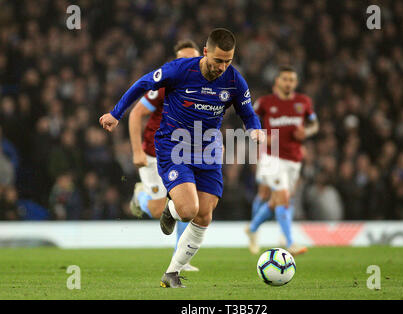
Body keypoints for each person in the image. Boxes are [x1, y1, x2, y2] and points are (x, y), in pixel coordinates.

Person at [99, 28, 265, 288]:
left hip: (208, 152)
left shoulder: (234, 81)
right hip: (174, 148)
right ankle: (171, 208)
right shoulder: (179, 70)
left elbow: (248, 113)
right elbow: (143, 83)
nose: (222, 67)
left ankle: (172, 273)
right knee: (189, 210)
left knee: (205, 216)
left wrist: (254, 129)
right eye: (218, 60)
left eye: (228, 61)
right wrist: (116, 113)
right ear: (206, 52)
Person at [128, 39, 201, 272]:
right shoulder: (163, 86)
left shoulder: (203, 90)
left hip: (180, 154)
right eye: (184, 59)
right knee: (160, 209)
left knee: (184, 203)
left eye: (193, 58)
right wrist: (137, 151)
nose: (189, 63)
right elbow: (135, 114)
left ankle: (181, 258)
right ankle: (140, 197)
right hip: (152, 154)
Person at [246, 65, 319, 256]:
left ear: (296, 83)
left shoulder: (303, 102)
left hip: (294, 159)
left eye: (292, 80)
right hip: (272, 156)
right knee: (280, 197)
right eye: (285, 79)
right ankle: (289, 241)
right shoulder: (265, 102)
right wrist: (261, 136)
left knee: (277, 201)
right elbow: (249, 122)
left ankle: (252, 228)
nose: (289, 83)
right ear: (277, 81)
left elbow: (315, 125)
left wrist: (307, 132)